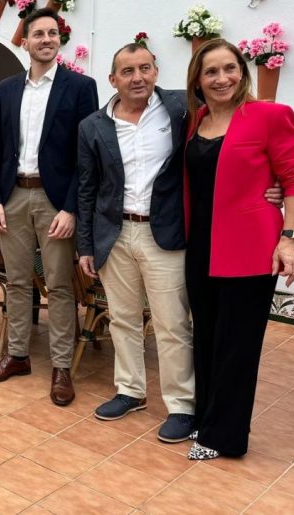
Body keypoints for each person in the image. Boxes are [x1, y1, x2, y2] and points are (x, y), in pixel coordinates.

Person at [181, 39, 294, 460]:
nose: (222, 78)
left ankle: (223, 437)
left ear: (243, 72)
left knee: (238, 345)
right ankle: (206, 419)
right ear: (198, 79)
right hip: (202, 249)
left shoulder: (270, 115)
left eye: (229, 68)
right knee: (208, 338)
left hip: (251, 248)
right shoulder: (196, 120)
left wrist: (290, 238)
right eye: (211, 71)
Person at [76, 43, 196, 441]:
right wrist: (86, 246)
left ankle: (181, 405)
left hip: (165, 234)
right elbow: (87, 189)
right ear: (113, 80)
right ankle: (130, 390)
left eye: (145, 68)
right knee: (123, 319)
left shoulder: (181, 110)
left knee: (171, 324)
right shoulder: (93, 125)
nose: (138, 77)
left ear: (156, 71)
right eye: (127, 71)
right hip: (115, 234)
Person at [0, 7, 99, 406]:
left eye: (53, 33)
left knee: (60, 285)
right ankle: (17, 356)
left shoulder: (81, 87)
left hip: (55, 201)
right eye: (38, 34)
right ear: (25, 41)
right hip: (12, 197)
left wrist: (71, 209)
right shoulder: (8, 88)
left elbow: (87, 156)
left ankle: (62, 366)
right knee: (17, 281)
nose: (46, 39)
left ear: (59, 40)